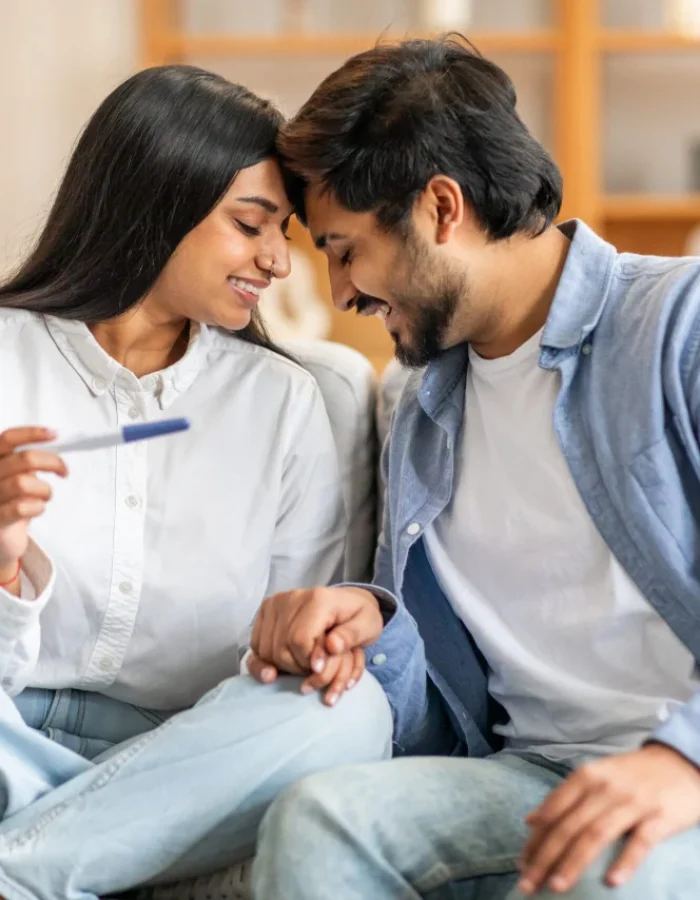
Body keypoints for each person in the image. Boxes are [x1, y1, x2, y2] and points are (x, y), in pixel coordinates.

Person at [248, 36, 700, 900]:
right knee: (319, 817)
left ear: (441, 207)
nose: (340, 292)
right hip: (531, 778)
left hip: (677, 779)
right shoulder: (414, 405)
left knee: (609, 880)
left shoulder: (679, 323)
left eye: (345, 249)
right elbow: (439, 714)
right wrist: (372, 624)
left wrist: (683, 762)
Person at [0, 65, 392, 900]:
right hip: (10, 735)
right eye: (250, 225)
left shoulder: (284, 402)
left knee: (348, 713)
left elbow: (285, 654)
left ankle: (23, 868)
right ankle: (79, 852)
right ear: (155, 200)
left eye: (283, 231)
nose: (278, 261)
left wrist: (308, 641)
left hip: (187, 762)